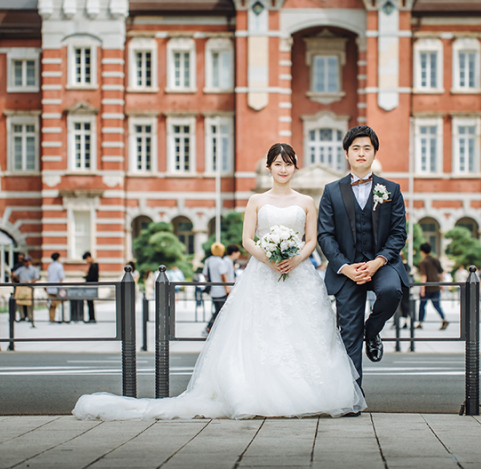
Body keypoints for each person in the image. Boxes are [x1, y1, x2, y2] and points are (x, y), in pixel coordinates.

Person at [74, 142, 365, 420]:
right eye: (278, 164)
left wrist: (295, 259)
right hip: (263, 273)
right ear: (269, 167)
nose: (283, 169)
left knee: (304, 333)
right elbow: (247, 239)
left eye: (288, 164)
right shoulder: (256, 200)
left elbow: (312, 240)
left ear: (295, 168)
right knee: (260, 332)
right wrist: (268, 258)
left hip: (298, 274)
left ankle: (308, 393)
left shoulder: (306, 202)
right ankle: (259, 393)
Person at [317, 125, 407, 382]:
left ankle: (373, 329)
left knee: (391, 291)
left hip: (382, 263)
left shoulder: (391, 189)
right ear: (346, 153)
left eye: (367, 148)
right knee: (349, 331)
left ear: (374, 153)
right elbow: (325, 234)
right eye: (355, 148)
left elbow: (399, 233)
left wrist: (378, 262)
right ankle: (354, 393)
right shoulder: (331, 191)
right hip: (346, 268)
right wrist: (344, 267)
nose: (361, 153)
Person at [416, 243, 448, 330]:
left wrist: (422, 288)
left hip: (427, 288)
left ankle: (420, 323)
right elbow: (441, 273)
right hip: (436, 286)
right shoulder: (435, 260)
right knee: (437, 305)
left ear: (422, 252)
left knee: (422, 305)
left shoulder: (423, 262)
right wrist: (441, 284)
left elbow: (424, 276)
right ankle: (444, 319)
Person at [201, 243, 228, 337]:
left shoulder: (208, 261)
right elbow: (223, 276)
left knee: (217, 309)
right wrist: (227, 288)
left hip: (212, 289)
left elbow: (205, 274)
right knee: (220, 310)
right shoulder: (220, 261)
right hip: (221, 290)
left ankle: (211, 328)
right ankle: (209, 327)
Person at [13, 255, 39, 322]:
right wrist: (16, 279)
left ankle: (30, 317)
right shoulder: (21, 269)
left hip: (30, 287)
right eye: (24, 261)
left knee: (29, 302)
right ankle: (22, 316)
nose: (25, 263)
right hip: (22, 287)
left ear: (30, 262)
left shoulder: (34, 269)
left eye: (26, 261)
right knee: (20, 302)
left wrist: (30, 281)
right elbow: (14, 274)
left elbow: (36, 278)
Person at [46, 252, 66, 323]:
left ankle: (52, 318)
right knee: (60, 304)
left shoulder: (50, 266)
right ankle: (61, 318)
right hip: (57, 288)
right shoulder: (59, 266)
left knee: (51, 305)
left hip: (50, 288)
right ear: (58, 258)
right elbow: (61, 277)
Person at [83, 252, 98, 323]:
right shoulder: (94, 265)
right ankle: (91, 318)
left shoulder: (94, 266)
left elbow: (92, 277)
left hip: (91, 286)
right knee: (90, 303)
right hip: (92, 286)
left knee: (90, 303)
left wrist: (86, 276)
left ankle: (92, 318)